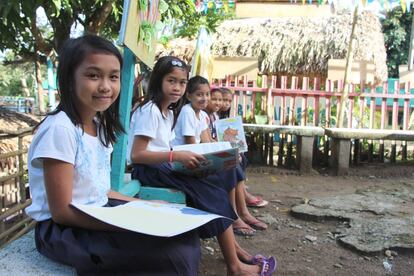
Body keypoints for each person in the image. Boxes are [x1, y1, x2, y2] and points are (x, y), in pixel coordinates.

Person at [25, 35, 200, 275]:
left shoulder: (98, 125)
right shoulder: (61, 129)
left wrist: (146, 205)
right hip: (63, 230)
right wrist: (124, 226)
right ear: (68, 79)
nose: (106, 86)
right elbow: (62, 211)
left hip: (98, 209)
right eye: (93, 75)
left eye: (113, 77)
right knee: (172, 256)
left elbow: (100, 190)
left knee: (185, 237)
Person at [128, 56, 275, 276]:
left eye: (182, 82)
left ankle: (235, 252)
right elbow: (137, 155)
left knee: (218, 183)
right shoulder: (150, 111)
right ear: (158, 81)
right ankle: (235, 265)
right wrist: (176, 156)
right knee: (213, 193)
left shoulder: (167, 111)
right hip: (151, 170)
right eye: (171, 81)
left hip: (164, 167)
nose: (177, 87)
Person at [219, 87, 269, 209]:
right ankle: (244, 196)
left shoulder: (222, 117)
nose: (226, 103)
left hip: (222, 146)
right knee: (234, 161)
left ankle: (242, 190)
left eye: (229, 101)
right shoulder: (212, 116)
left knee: (242, 157)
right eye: (223, 100)